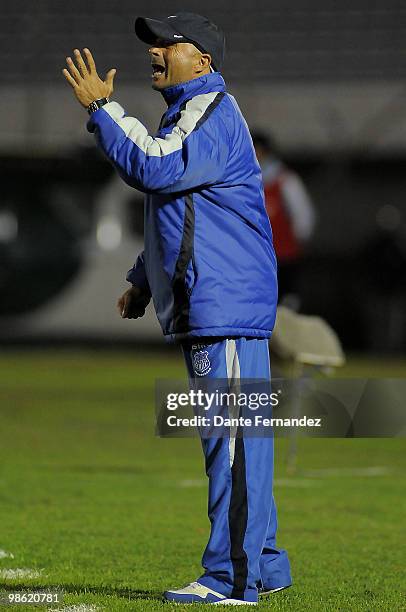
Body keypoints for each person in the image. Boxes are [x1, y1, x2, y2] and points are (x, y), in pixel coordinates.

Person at [62, 12, 291, 605]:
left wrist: (103, 111)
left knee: (233, 444)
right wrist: (144, 279)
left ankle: (230, 579)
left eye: (170, 44)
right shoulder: (195, 115)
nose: (156, 52)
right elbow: (185, 213)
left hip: (225, 306)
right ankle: (261, 566)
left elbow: (155, 167)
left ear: (204, 62)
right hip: (215, 302)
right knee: (239, 443)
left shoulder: (209, 111)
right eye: (155, 45)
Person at [252, 131, 316, 306]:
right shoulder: (246, 181)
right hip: (256, 258)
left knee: (286, 306)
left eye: (257, 151)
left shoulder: (285, 180)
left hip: (284, 257)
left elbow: (303, 216)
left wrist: (295, 240)